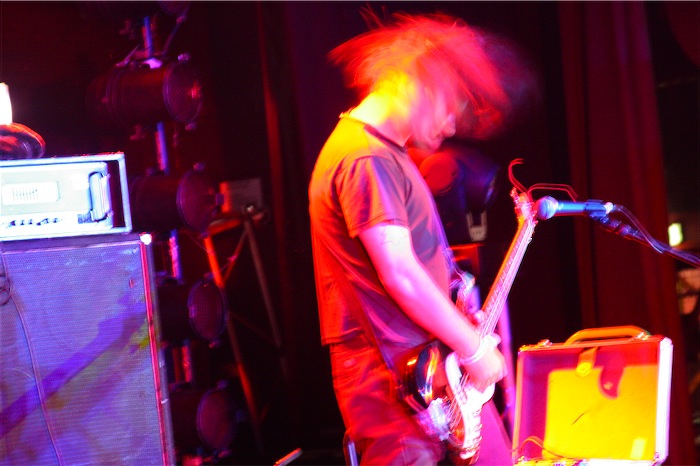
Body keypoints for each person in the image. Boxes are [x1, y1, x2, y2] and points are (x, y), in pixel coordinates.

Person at [308, 11, 535, 465]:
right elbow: (400, 274)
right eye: (451, 105)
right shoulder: (363, 157)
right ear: (416, 81)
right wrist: (473, 347)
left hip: (427, 371)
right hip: (396, 382)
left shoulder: (384, 154)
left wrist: (460, 322)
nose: (451, 126)